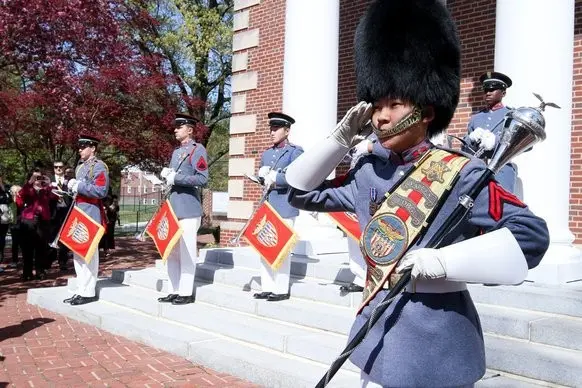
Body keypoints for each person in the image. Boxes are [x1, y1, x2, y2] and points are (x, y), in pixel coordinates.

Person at [285, 0, 550, 386]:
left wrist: (444, 263)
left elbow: (531, 236)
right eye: (376, 105)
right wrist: (338, 141)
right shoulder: (367, 173)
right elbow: (298, 193)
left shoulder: (462, 173)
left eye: (394, 103)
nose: (381, 116)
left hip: (437, 341)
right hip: (374, 338)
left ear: (426, 112)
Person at [157, 113, 209, 305]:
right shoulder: (176, 152)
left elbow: (203, 179)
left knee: (186, 251)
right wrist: (168, 177)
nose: (175, 129)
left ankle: (185, 292)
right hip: (174, 207)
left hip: (189, 208)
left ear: (190, 129)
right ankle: (174, 289)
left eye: (179, 126)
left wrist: (176, 178)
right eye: (176, 126)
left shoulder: (198, 150)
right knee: (172, 251)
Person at [251, 112, 304, 302]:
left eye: (276, 128)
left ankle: (280, 288)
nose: (272, 132)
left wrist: (276, 178)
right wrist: (262, 177)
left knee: (282, 247)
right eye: (271, 128)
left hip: (285, 205)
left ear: (287, 130)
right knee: (264, 245)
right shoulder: (266, 153)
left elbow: (298, 177)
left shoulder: (295, 152)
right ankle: (267, 286)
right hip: (268, 206)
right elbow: (265, 180)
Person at [64, 135, 110, 305]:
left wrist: (79, 186)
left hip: (91, 213)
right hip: (79, 212)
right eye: (80, 147)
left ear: (93, 148)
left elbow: (101, 191)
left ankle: (89, 291)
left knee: (89, 253)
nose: (80, 150)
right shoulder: (80, 167)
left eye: (83, 147)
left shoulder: (99, 167)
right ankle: (81, 289)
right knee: (78, 252)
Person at [463, 71, 517, 192]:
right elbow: (464, 149)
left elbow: (525, 145)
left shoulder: (512, 116)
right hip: (477, 172)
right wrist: (470, 139)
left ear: (503, 92)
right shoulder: (476, 118)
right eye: (485, 90)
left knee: (501, 209)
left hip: (501, 172)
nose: (487, 93)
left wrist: (496, 142)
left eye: (492, 90)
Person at [16, 167, 55, 280]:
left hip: (43, 221)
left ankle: (40, 271)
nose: (38, 180)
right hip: (29, 221)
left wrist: (48, 183)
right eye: (36, 178)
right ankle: (27, 273)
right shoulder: (28, 189)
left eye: (40, 177)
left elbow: (55, 196)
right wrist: (31, 181)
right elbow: (21, 195)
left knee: (41, 248)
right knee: (27, 248)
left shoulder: (46, 189)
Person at [49, 161, 72, 271]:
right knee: (51, 236)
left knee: (64, 238)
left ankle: (63, 262)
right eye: (56, 167)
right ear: (53, 168)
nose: (58, 169)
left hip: (66, 211)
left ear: (64, 168)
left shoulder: (70, 180)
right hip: (53, 212)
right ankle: (49, 259)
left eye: (60, 167)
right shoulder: (48, 179)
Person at [0, 172, 12, 265]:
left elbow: (10, 201)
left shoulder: (6, 189)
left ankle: (1, 256)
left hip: (4, 216)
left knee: (2, 237)